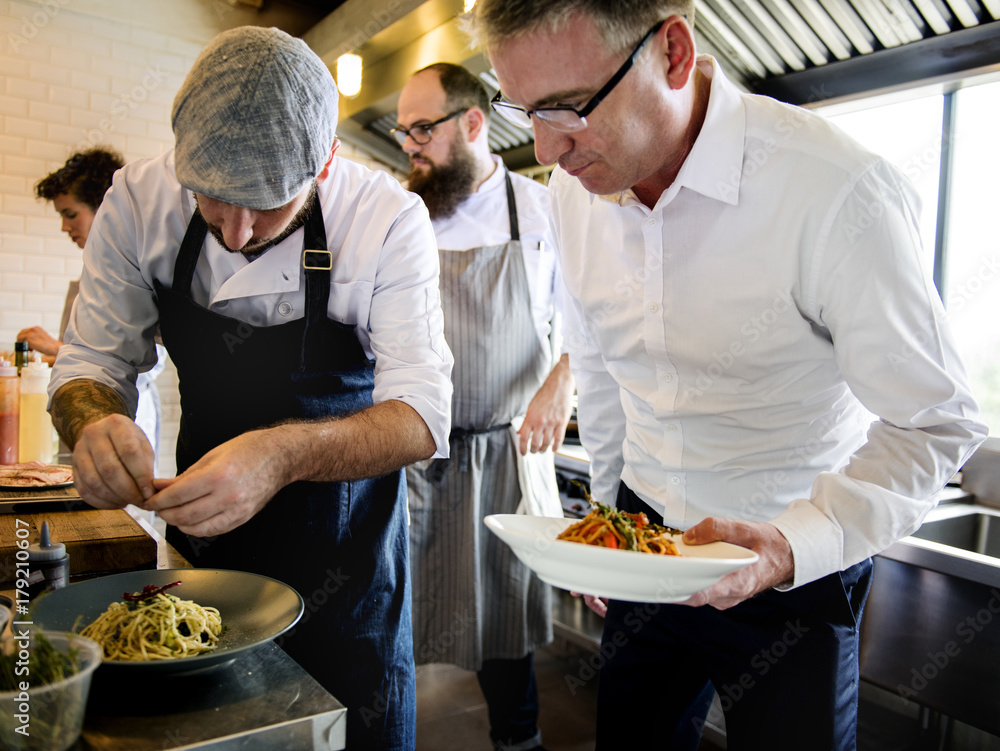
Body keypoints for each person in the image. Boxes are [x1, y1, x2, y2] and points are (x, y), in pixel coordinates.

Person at [471, 1, 988, 749]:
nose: (548, 149)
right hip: (644, 541)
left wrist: (788, 545)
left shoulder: (834, 191)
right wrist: (604, 525)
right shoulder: (573, 196)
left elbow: (938, 423)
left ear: (673, 53)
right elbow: (604, 370)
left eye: (570, 109)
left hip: (792, 563)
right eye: (523, 109)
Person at [48, 26, 454, 751]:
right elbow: (90, 365)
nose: (234, 233)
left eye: (266, 204)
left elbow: (421, 415)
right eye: (211, 197)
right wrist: (91, 422)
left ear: (324, 162)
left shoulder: (386, 220)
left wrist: (281, 455)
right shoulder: (137, 202)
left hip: (348, 569)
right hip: (202, 561)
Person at [396, 63, 573, 751]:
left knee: (504, 626)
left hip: (505, 452)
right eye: (402, 129)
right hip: (417, 453)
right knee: (397, 614)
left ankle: (518, 741)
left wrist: (564, 378)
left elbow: (594, 324)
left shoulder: (540, 212)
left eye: (422, 128)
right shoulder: (404, 217)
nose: (409, 144)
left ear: (473, 123)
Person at [21, 148, 166, 469]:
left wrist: (56, 349)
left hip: (128, 423)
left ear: (107, 208)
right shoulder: (95, 272)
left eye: (71, 214)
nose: (63, 227)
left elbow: (146, 364)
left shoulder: (148, 266)